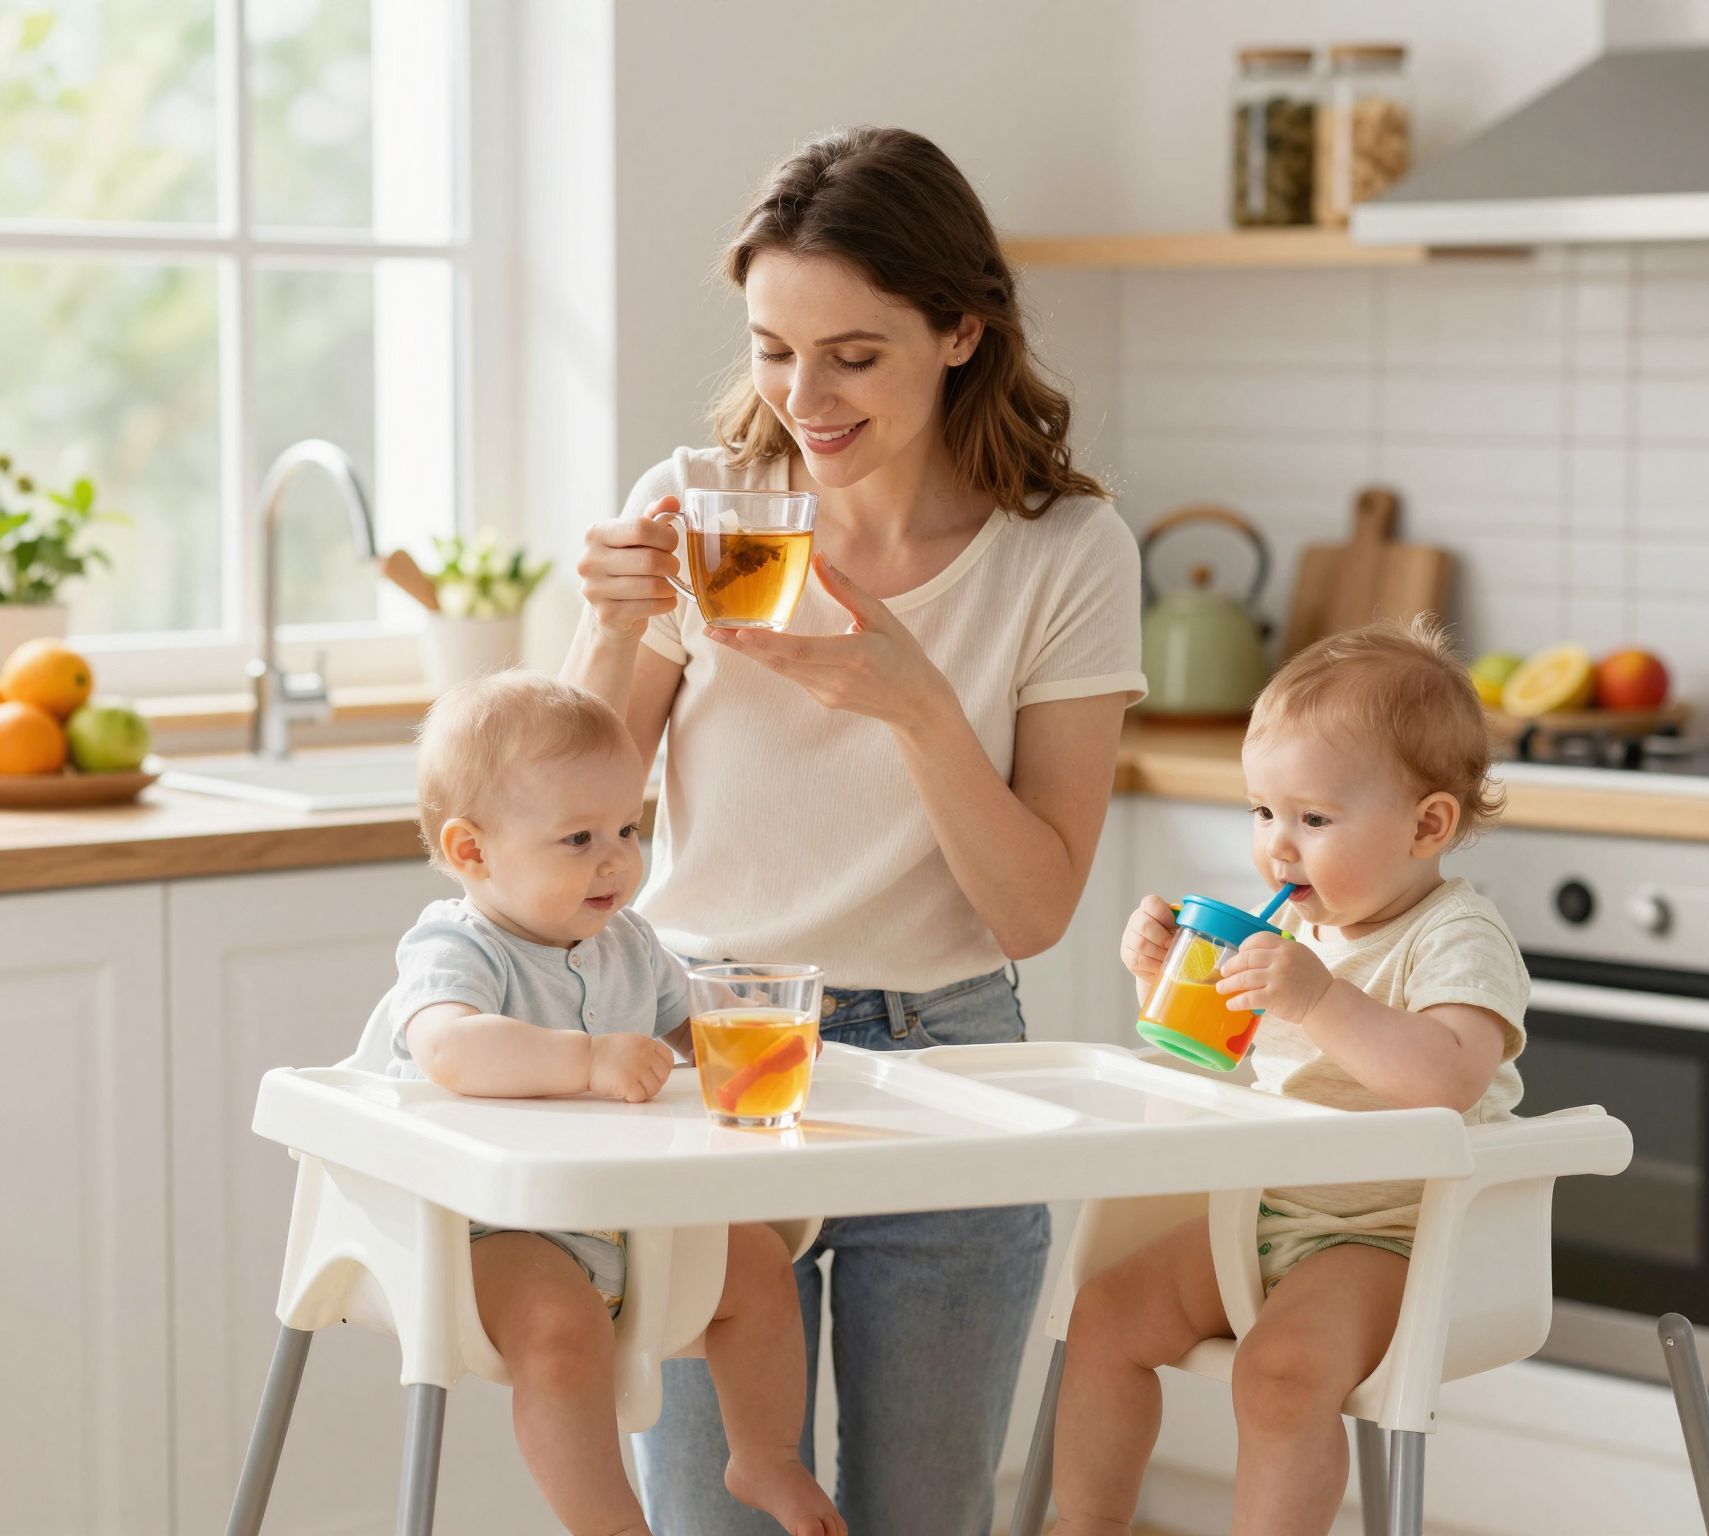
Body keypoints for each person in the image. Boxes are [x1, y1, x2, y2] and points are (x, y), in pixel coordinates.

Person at [563, 126, 1145, 1534]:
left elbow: (1030, 912)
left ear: (960, 330)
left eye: (853, 355)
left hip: (948, 1059)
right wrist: (612, 628)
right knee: (715, 1518)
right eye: (774, 349)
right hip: (709, 1047)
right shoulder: (702, 513)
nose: (803, 398)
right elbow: (576, 808)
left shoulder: (1063, 553)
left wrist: (920, 708)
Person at [1049, 620, 1531, 1536]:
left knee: (1278, 1372)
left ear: (1428, 825)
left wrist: (1319, 1000)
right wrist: (1161, 977)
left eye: (1313, 819)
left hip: (1400, 1238)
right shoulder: (1299, 933)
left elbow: (1449, 1078)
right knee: (1104, 1314)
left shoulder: (1455, 937)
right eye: (1262, 812)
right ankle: (1087, 1526)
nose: (1277, 846)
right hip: (1271, 1214)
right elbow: (1215, 1053)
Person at [371, 672, 844, 1536]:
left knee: (757, 1261)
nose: (617, 858)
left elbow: (692, 1028)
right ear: (473, 852)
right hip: (485, 1229)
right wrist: (588, 1060)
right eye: (578, 838)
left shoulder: (627, 941)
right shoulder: (457, 946)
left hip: (621, 1218)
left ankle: (765, 1456)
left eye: (628, 828)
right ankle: (612, 1524)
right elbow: (448, 1047)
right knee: (562, 1328)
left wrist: (759, 1044)